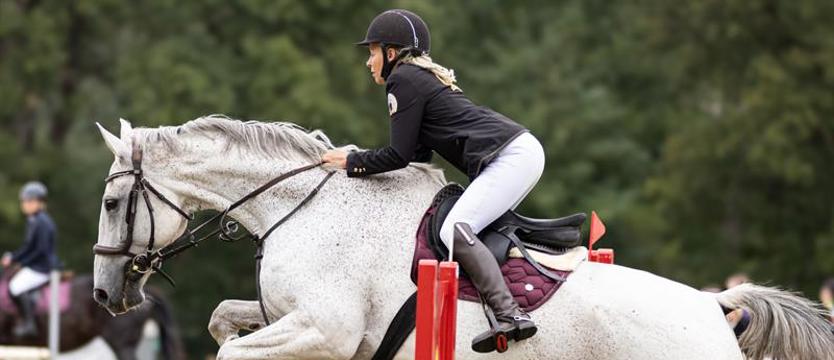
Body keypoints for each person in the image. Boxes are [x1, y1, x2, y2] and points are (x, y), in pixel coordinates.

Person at [321, 9, 544, 353]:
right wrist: (362, 162)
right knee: (471, 232)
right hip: (518, 153)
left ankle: (511, 314)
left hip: (510, 157)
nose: (368, 62)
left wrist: (351, 161)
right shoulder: (418, 77)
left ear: (391, 53)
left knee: (454, 229)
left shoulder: (403, 80)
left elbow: (397, 155)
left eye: (372, 52)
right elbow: (416, 155)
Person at [1, 181, 59, 337]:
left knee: (14, 287)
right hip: (36, 265)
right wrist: (13, 258)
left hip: (42, 267)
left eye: (29, 201)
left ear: (40, 202)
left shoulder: (42, 222)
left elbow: (40, 250)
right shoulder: (34, 220)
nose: (25, 204)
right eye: (24, 201)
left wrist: (20, 262)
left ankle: (29, 324)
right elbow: (28, 247)